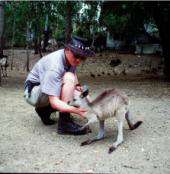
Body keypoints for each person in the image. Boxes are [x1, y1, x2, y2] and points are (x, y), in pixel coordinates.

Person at [24, 36, 95, 135]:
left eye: (82, 57)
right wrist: (76, 110)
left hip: (44, 91)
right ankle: (64, 124)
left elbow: (73, 73)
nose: (79, 60)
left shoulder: (69, 59)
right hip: (33, 93)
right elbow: (54, 101)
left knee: (81, 95)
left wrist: (78, 86)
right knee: (69, 78)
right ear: (67, 50)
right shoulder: (55, 65)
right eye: (76, 55)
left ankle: (44, 110)